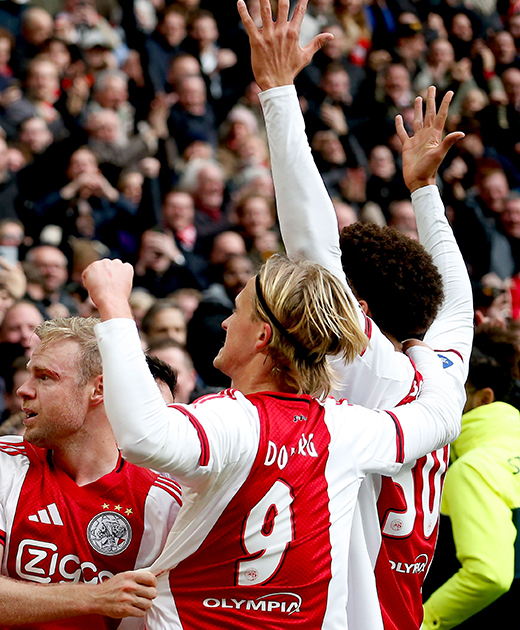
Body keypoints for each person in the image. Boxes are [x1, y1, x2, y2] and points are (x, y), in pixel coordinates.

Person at [243, 2, 473, 628]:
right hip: (404, 611)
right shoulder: (442, 373)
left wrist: (280, 97)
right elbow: (459, 301)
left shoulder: (377, 372)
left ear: (357, 310)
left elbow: (313, 245)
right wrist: (424, 191)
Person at [83, 250, 463, 629]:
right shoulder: (347, 430)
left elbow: (143, 435)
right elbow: (442, 418)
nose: (226, 323)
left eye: (236, 312)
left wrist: (114, 305)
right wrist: (424, 354)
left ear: (262, 336)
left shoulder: (231, 418)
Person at [0, 318, 182, 628]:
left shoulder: (160, 498)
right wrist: (97, 597)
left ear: (98, 389)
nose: (23, 389)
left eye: (45, 377)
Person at [422, 347, 520, 629]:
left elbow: (489, 574)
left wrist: (422, 622)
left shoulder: (472, 469)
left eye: (452, 393)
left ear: (483, 398)